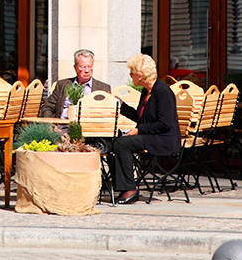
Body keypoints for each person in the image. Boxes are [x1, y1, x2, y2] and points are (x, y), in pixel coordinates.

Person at [110, 53, 181, 204]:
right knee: (117, 141)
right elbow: (140, 118)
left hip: (164, 139)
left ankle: (130, 190)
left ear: (140, 75)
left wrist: (138, 130)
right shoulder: (146, 91)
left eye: (132, 73)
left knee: (123, 143)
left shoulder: (162, 92)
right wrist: (120, 105)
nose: (130, 76)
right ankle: (124, 187)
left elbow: (165, 124)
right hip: (152, 135)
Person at [39, 48, 111, 118]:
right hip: (63, 127)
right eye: (82, 67)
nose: (87, 70)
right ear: (75, 67)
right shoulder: (62, 85)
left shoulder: (103, 88)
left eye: (89, 66)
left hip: (89, 128)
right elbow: (47, 107)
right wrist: (52, 125)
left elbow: (109, 112)